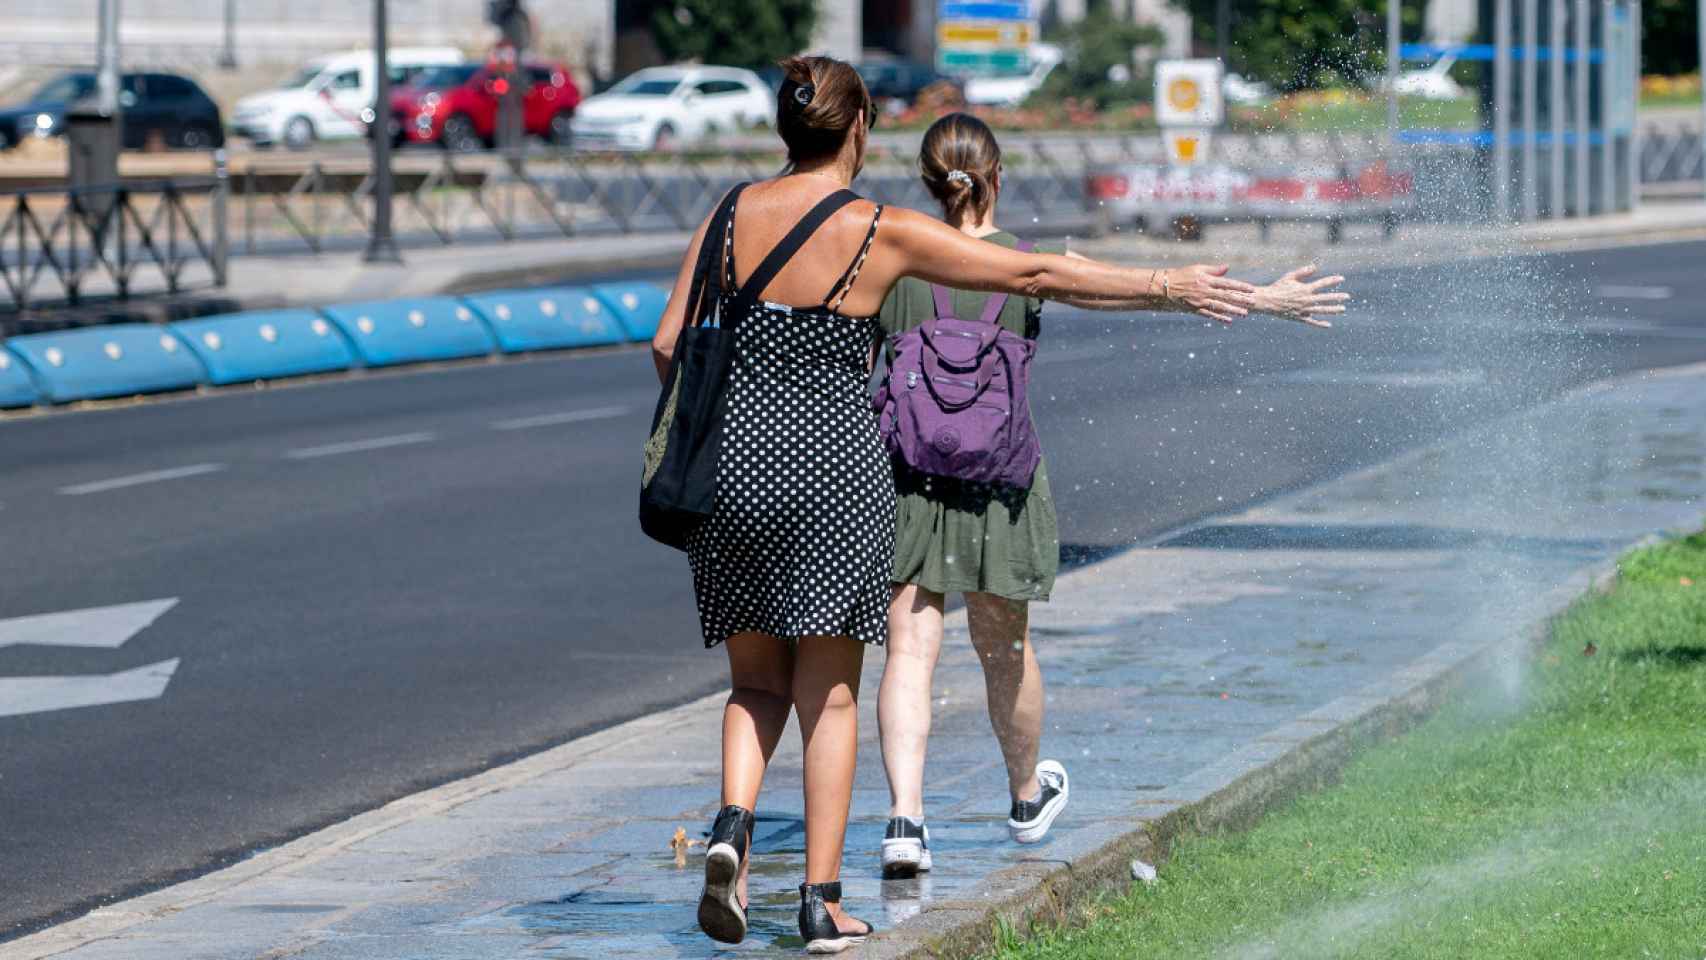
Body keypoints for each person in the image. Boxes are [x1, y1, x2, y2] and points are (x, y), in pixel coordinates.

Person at [651, 57, 1266, 955]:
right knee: (828, 696)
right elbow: (1032, 274)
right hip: (832, 478)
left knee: (753, 682)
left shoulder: (726, 216)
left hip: (732, 477)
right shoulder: (879, 230)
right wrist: (1166, 284)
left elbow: (669, 344)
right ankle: (822, 903)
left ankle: (732, 827)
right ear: (857, 129)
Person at [873, 112, 1347, 880]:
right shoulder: (1031, 265)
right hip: (1002, 483)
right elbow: (1125, 292)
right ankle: (1026, 798)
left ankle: (905, 822)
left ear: (931, 183)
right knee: (1004, 648)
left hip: (912, 479)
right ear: (997, 178)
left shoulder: (893, 264)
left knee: (910, 646)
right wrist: (1261, 299)